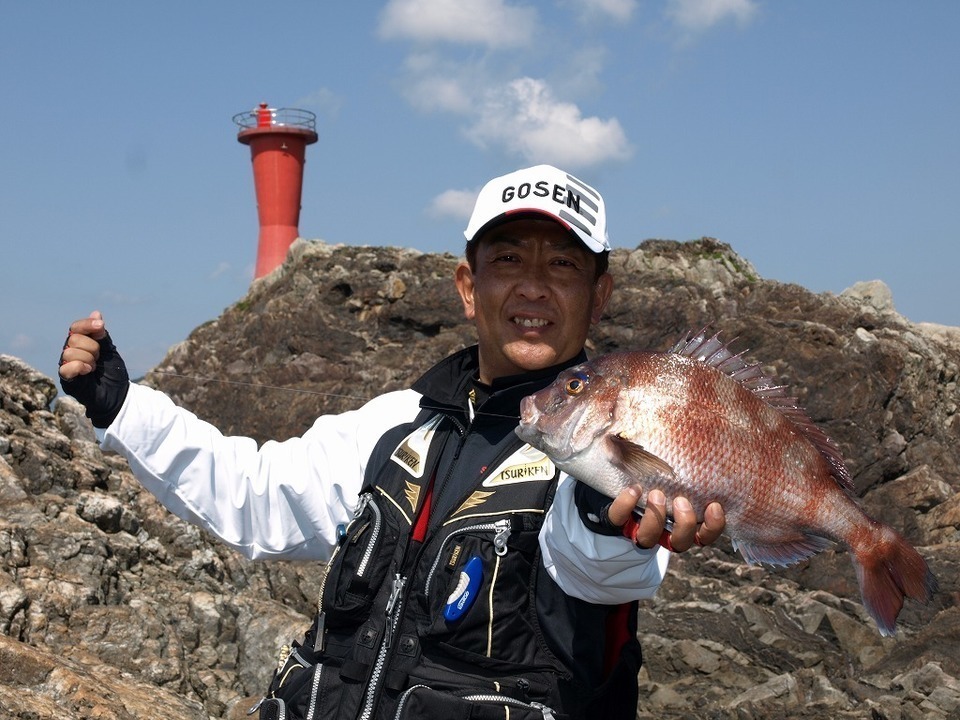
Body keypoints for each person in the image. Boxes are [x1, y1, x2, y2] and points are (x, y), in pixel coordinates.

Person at [59, 164, 725, 720]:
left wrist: (607, 517)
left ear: (598, 294)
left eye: (563, 264)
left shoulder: (617, 438)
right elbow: (257, 497)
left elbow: (600, 567)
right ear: (468, 287)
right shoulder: (400, 419)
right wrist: (122, 404)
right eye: (508, 258)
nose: (532, 284)